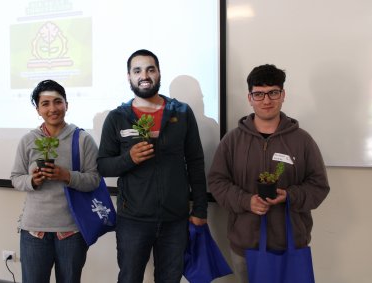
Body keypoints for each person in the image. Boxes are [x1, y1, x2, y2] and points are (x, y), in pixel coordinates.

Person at [208, 64, 330, 283]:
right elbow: (217, 181)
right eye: (259, 94)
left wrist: (290, 196)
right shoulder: (232, 140)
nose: (266, 100)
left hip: (290, 244)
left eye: (273, 92)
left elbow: (319, 185)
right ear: (250, 97)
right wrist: (247, 201)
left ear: (283, 95)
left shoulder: (302, 140)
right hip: (245, 246)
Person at [97, 49, 208, 283]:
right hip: (133, 220)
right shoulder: (117, 117)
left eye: (150, 69)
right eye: (137, 70)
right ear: (129, 76)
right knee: (129, 278)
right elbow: (103, 166)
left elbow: (196, 162)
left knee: (169, 279)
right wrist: (129, 158)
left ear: (158, 73)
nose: (144, 75)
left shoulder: (182, 113)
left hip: (175, 219)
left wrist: (200, 209)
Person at [10, 79, 101, 283]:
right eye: (45, 103)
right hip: (34, 230)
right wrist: (32, 181)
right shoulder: (28, 140)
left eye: (58, 102)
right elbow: (16, 178)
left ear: (66, 105)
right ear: (38, 109)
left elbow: (94, 180)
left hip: (72, 231)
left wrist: (66, 176)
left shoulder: (82, 139)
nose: (53, 108)